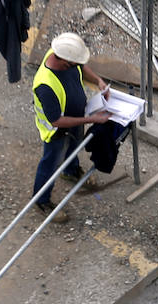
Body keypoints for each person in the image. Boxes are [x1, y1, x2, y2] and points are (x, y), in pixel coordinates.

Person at [31, 32, 110, 224]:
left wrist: (98, 81)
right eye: (73, 64)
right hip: (57, 131)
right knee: (50, 163)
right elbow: (56, 121)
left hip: (74, 119)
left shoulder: (60, 52)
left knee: (74, 146)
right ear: (65, 62)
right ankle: (41, 201)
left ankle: (71, 171)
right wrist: (91, 120)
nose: (77, 66)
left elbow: (81, 66)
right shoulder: (45, 85)